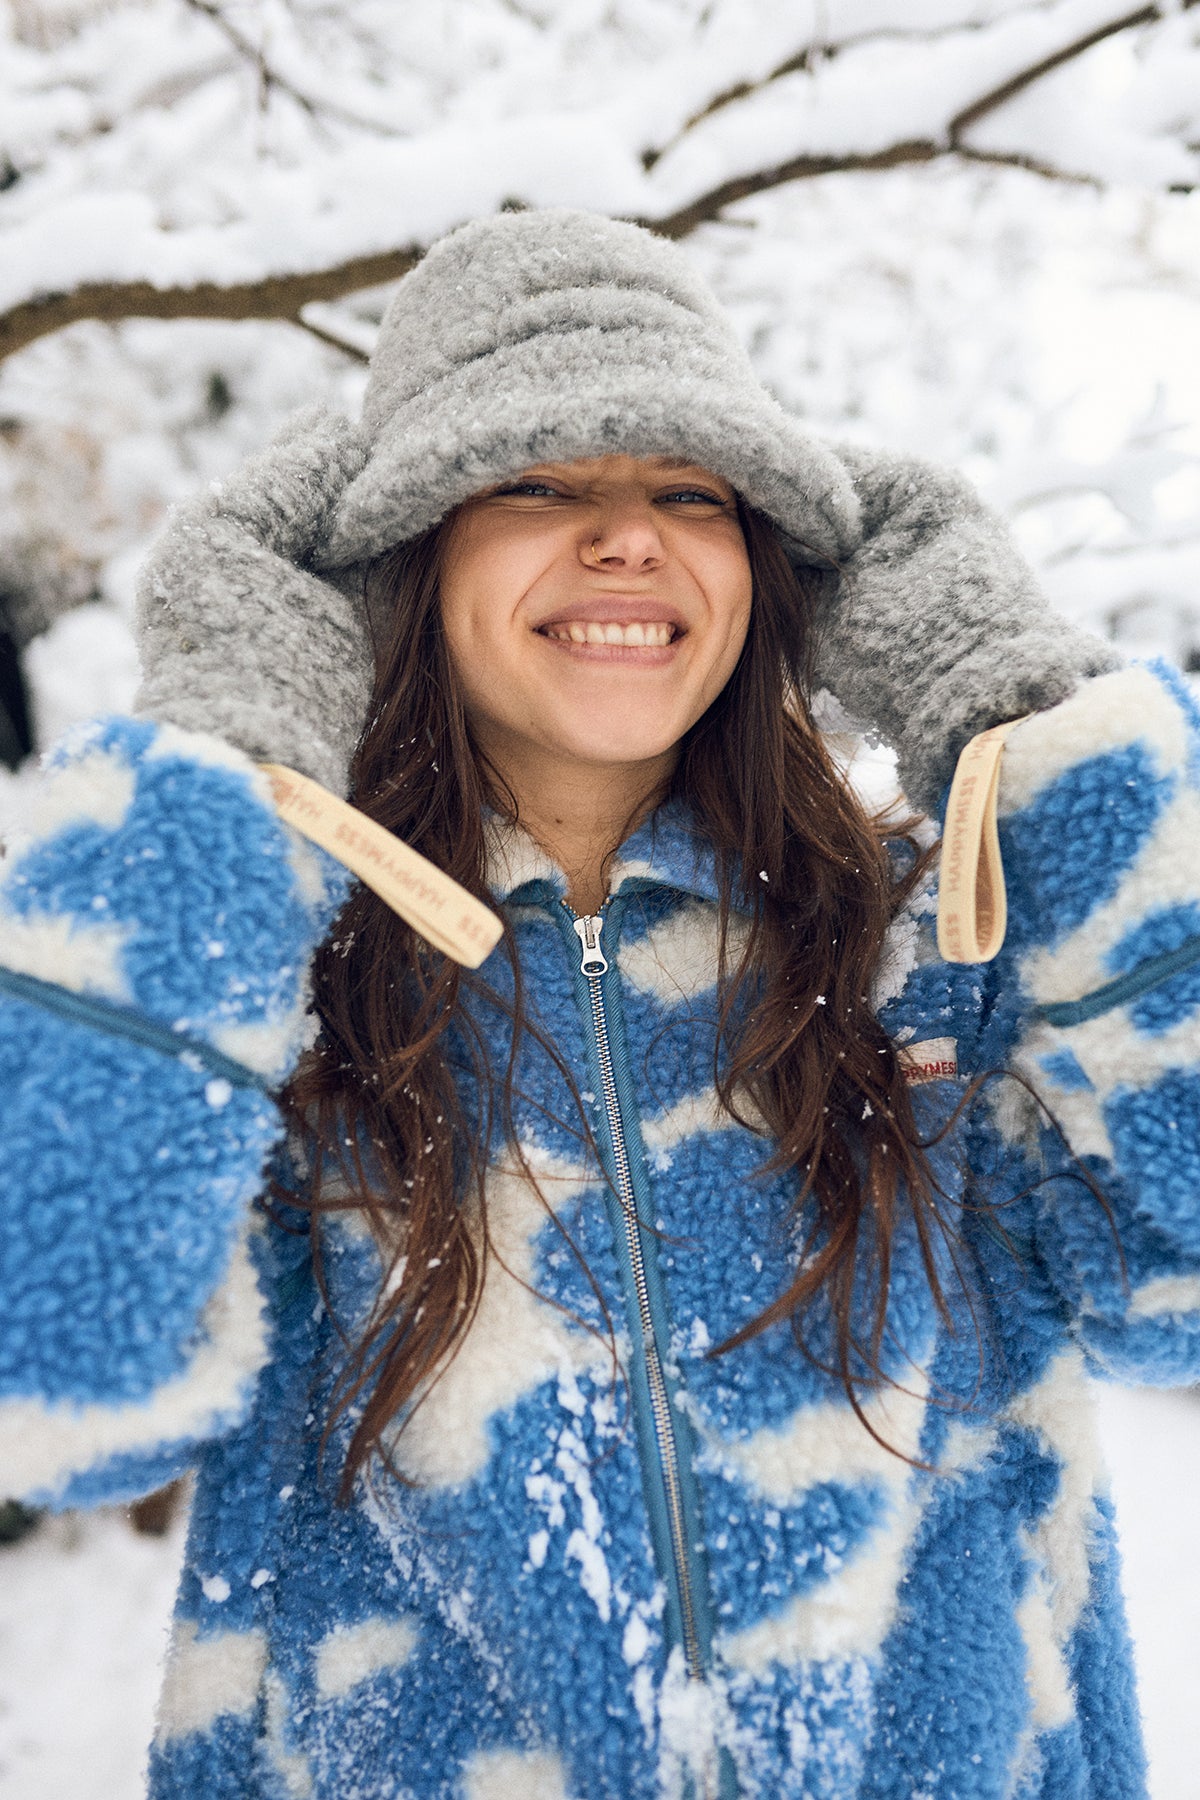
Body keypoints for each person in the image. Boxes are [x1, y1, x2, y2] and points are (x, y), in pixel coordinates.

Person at [0, 208, 1197, 1800]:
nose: (627, 537)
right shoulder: (272, 966)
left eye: (692, 490)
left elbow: (1175, 1291)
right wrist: (227, 752)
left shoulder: (935, 938)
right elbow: (51, 1386)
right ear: (406, 556)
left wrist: (1021, 702)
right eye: (539, 480)